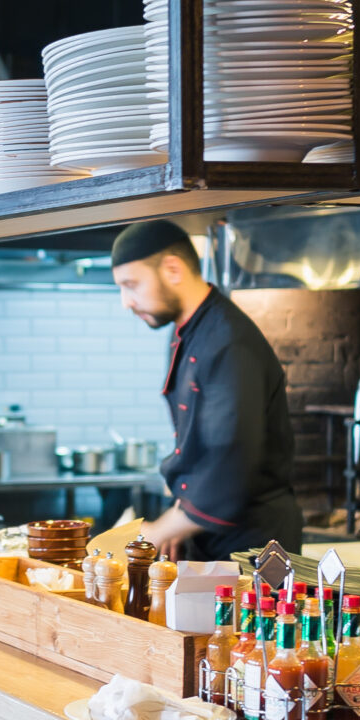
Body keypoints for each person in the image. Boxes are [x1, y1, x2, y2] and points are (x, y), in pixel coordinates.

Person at [109, 218, 302, 559]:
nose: (126, 301)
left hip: (255, 549)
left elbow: (232, 457)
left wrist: (163, 529)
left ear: (172, 269)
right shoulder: (191, 329)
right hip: (215, 538)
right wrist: (181, 516)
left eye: (132, 284)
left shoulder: (228, 341)